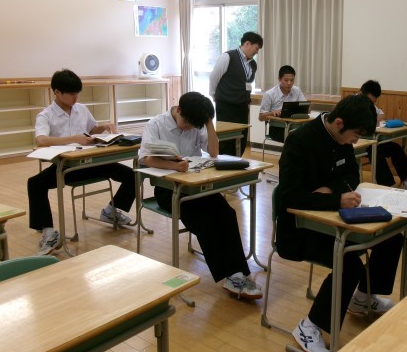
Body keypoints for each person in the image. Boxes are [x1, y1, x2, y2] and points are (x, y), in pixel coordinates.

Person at [275, 95, 404, 352]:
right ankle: (308, 327)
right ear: (339, 123)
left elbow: (352, 176)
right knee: (350, 263)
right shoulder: (299, 142)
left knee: (392, 237)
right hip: (300, 231)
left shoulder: (341, 139)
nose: (355, 142)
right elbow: (289, 197)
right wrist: (335, 199)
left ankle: (363, 297)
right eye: (355, 135)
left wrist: (329, 191)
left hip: (334, 220)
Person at [138, 91, 262, 300]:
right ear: (179, 110)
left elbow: (213, 152)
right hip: (169, 191)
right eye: (186, 123)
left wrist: (209, 122)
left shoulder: (196, 122)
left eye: (193, 126)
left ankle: (238, 273)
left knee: (227, 214)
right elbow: (146, 159)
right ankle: (231, 277)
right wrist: (174, 166)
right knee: (205, 221)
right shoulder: (156, 124)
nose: (189, 128)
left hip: (196, 187)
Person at [28, 69, 135, 256]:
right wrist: (73, 139)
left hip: (91, 162)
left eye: (77, 93)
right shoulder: (45, 115)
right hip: (66, 168)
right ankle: (49, 232)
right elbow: (41, 140)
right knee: (35, 183)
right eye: (71, 94)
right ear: (57, 92)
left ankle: (110, 211)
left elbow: (91, 129)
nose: (75, 98)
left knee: (133, 175)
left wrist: (104, 127)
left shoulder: (81, 109)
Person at [209, 31, 263, 156]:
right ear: (247, 43)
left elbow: (247, 83)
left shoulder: (253, 64)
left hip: (242, 105)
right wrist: (214, 96)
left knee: (242, 137)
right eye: (256, 48)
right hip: (226, 105)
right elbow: (214, 77)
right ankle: (224, 163)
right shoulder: (228, 57)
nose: (256, 52)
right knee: (226, 139)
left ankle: (238, 161)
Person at [360, 80, 407, 190]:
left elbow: (381, 115)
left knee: (396, 148)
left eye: (374, 101)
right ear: (363, 93)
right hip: (360, 141)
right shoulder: (353, 104)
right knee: (376, 152)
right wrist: (372, 121)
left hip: (373, 140)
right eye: (371, 100)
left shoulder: (369, 103)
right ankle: (387, 187)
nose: (372, 103)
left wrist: (373, 120)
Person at [258, 65, 307, 143]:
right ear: (279, 79)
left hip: (295, 126)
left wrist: (307, 108)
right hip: (277, 128)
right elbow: (261, 117)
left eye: (292, 80)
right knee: (297, 138)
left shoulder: (296, 90)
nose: (289, 83)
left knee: (310, 135)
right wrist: (272, 113)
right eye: (286, 80)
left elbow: (306, 106)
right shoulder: (269, 94)